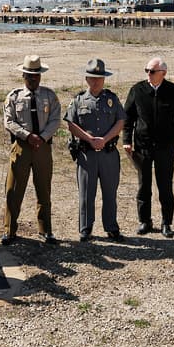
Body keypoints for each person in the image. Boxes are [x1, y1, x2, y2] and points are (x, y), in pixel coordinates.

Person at [123, 56, 174, 238]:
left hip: (165, 147)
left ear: (163, 73)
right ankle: (145, 221)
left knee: (165, 185)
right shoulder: (138, 90)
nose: (148, 75)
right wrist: (127, 139)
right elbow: (127, 117)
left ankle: (166, 222)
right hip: (142, 147)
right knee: (144, 185)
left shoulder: (173, 91)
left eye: (152, 71)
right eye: (147, 71)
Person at [1, 55, 62, 245]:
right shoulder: (14, 96)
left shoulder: (49, 96)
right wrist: (27, 136)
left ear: (41, 76)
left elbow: (55, 119)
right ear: (23, 75)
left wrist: (42, 137)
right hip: (21, 147)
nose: (32, 78)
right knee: (14, 190)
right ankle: (9, 231)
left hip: (43, 148)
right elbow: (8, 121)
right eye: (29, 75)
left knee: (44, 190)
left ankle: (46, 230)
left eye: (36, 74)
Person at [64, 59, 126, 242]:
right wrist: (90, 139)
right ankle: (85, 228)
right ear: (86, 78)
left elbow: (120, 121)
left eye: (99, 78)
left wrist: (105, 139)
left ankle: (111, 227)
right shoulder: (78, 100)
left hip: (108, 154)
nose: (96, 81)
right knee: (86, 193)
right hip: (86, 154)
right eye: (92, 77)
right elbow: (70, 124)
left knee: (110, 192)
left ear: (104, 79)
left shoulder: (112, 99)